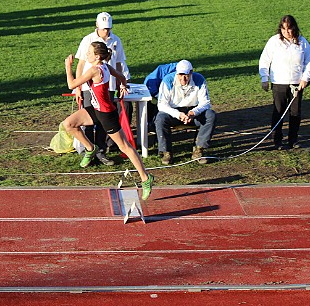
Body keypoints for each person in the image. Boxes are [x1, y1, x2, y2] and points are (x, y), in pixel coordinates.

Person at [63, 41, 155, 200]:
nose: (87, 55)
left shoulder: (94, 70)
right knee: (69, 124)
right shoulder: (106, 66)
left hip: (107, 115)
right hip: (95, 109)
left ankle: (146, 179)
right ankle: (90, 148)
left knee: (125, 146)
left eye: (90, 53)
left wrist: (68, 66)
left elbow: (71, 84)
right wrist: (122, 86)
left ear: (97, 56)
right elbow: (121, 76)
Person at [74, 12, 127, 166]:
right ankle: (89, 151)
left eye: (108, 29)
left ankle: (101, 151)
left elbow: (118, 65)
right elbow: (81, 65)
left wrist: (119, 85)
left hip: (108, 87)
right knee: (89, 120)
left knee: (105, 122)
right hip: (89, 87)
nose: (106, 32)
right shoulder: (88, 40)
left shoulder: (116, 40)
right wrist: (78, 88)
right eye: (104, 29)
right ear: (97, 26)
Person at [258, 15, 310, 150]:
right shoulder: (274, 41)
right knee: (279, 111)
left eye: (289, 29)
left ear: (294, 28)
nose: (286, 32)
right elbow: (264, 60)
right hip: (279, 83)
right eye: (283, 29)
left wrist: (305, 79)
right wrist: (264, 78)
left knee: (295, 112)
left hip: (296, 84)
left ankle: (293, 139)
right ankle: (277, 140)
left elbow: (309, 62)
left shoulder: (303, 42)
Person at [155, 60, 217, 165]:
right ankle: (166, 151)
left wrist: (194, 112)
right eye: (180, 75)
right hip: (174, 112)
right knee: (160, 118)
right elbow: (162, 105)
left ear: (191, 73)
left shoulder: (199, 80)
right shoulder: (167, 81)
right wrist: (178, 114)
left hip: (194, 111)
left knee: (210, 115)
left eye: (186, 75)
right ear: (176, 73)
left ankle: (199, 149)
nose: (183, 78)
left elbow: (205, 102)